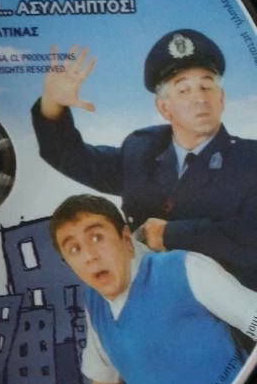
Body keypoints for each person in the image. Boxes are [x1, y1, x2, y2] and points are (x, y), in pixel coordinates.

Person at [49, 193, 257, 384]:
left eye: (96, 237)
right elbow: (105, 381)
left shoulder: (183, 268)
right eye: (74, 248)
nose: (90, 255)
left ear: (125, 239)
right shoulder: (95, 306)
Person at [31, 30, 257, 289]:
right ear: (163, 107)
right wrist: (53, 105)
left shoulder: (250, 159)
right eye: (183, 89)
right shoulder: (141, 151)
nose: (200, 99)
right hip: (149, 299)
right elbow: (71, 157)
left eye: (207, 86)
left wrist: (169, 235)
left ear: (221, 98)